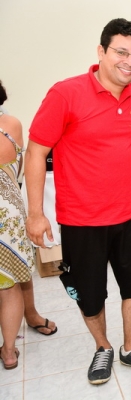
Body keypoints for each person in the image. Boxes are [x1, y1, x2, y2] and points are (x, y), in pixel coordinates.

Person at [25, 18, 131, 384]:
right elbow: (36, 152)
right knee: (90, 294)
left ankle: (130, 347)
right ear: (101, 52)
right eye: (122, 52)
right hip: (81, 219)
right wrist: (35, 213)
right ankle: (103, 347)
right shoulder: (66, 93)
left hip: (129, 213)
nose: (130, 62)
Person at [0, 87, 57, 337]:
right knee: (17, 264)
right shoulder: (11, 123)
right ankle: (23, 319)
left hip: (7, 210)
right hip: (10, 210)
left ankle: (29, 314)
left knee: (16, 267)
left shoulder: (9, 122)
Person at [0, 80, 35, 370]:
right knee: (9, 285)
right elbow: (20, 170)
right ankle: (9, 351)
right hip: (9, 216)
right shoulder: (11, 124)